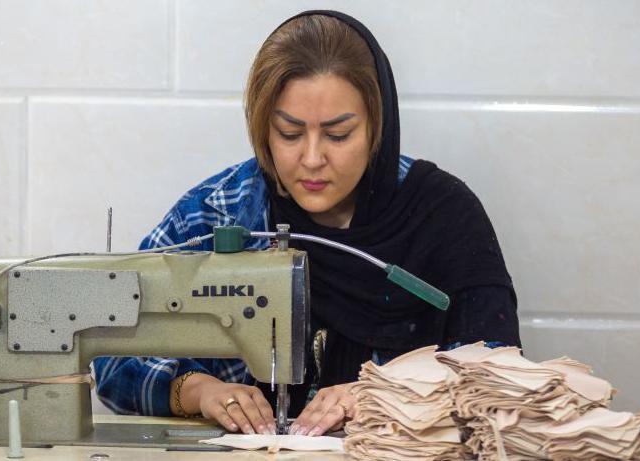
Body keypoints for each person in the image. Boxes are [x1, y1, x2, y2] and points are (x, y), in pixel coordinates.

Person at [93, 10, 520, 437]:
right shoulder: (217, 213)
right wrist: (199, 391)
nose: (312, 159)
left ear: (378, 128)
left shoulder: (443, 217)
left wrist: (383, 393)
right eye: (289, 133)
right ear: (263, 129)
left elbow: (501, 371)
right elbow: (110, 355)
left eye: (338, 135)